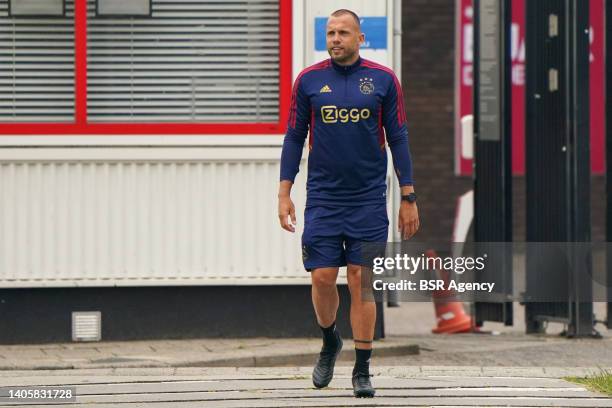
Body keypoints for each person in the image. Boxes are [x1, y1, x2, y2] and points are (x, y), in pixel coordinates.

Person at [277, 8, 419, 398]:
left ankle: (362, 368)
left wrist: (408, 196)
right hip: (323, 197)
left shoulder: (383, 81)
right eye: (330, 33)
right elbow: (293, 137)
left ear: (360, 38)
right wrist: (284, 192)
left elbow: (400, 138)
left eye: (343, 33)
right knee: (323, 278)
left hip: (368, 199)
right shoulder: (309, 81)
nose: (335, 38)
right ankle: (329, 340)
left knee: (362, 281)